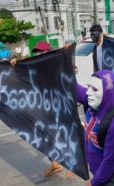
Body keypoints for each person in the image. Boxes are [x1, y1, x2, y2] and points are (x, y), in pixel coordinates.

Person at [10, 41, 73, 177]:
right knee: (46, 135)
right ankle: (54, 163)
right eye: (37, 52)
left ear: (48, 53)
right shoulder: (35, 67)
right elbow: (22, 72)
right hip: (43, 106)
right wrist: (15, 64)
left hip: (59, 105)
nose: (38, 55)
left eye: (41, 52)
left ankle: (71, 165)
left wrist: (66, 52)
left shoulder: (56, 64)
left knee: (63, 133)